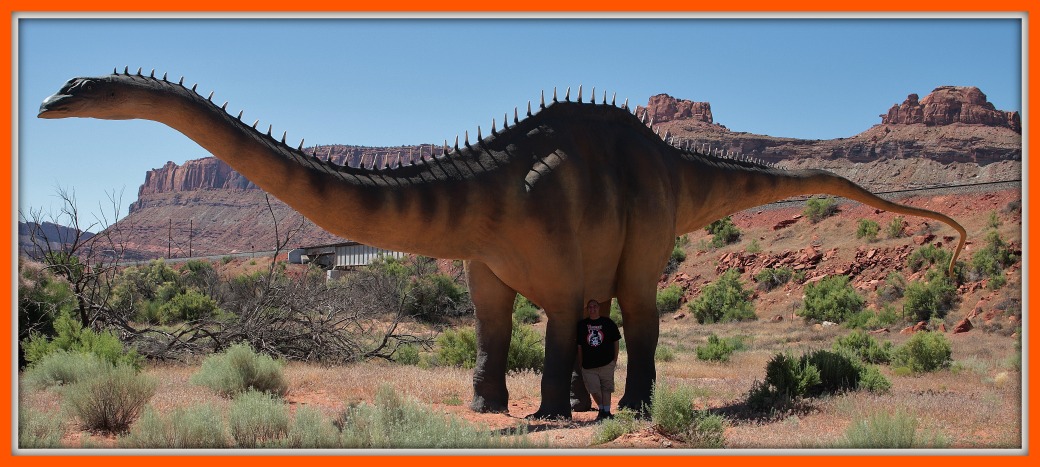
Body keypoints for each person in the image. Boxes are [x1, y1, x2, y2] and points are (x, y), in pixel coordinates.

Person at [576, 298, 622, 420]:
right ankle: (602, 409)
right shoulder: (582, 325)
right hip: (588, 365)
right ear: (587, 309)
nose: (593, 309)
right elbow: (579, 346)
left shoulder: (608, 323)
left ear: (599, 308)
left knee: (607, 389)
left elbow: (616, 341)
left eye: (595, 306)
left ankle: (606, 412)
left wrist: (614, 360)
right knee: (594, 390)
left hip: (607, 363)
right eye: (590, 307)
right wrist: (581, 363)